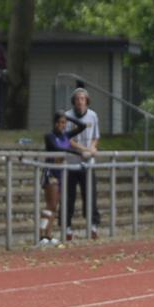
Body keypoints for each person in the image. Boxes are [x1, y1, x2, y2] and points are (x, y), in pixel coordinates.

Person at [39, 111, 86, 246]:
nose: (62, 125)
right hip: (51, 172)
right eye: (59, 122)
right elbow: (56, 148)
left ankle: (48, 235)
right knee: (51, 204)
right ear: (55, 123)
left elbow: (82, 126)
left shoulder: (66, 135)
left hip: (61, 173)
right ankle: (42, 235)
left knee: (55, 206)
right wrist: (77, 152)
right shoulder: (49, 136)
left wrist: (68, 117)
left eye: (64, 123)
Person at [64, 88, 101, 240]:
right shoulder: (67, 116)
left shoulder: (92, 116)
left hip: (88, 163)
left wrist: (92, 148)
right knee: (69, 196)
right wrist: (84, 150)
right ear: (74, 101)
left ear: (87, 101)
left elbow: (96, 136)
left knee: (90, 195)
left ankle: (93, 225)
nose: (80, 102)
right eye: (78, 99)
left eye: (83, 99)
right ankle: (66, 227)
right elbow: (68, 140)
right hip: (72, 162)